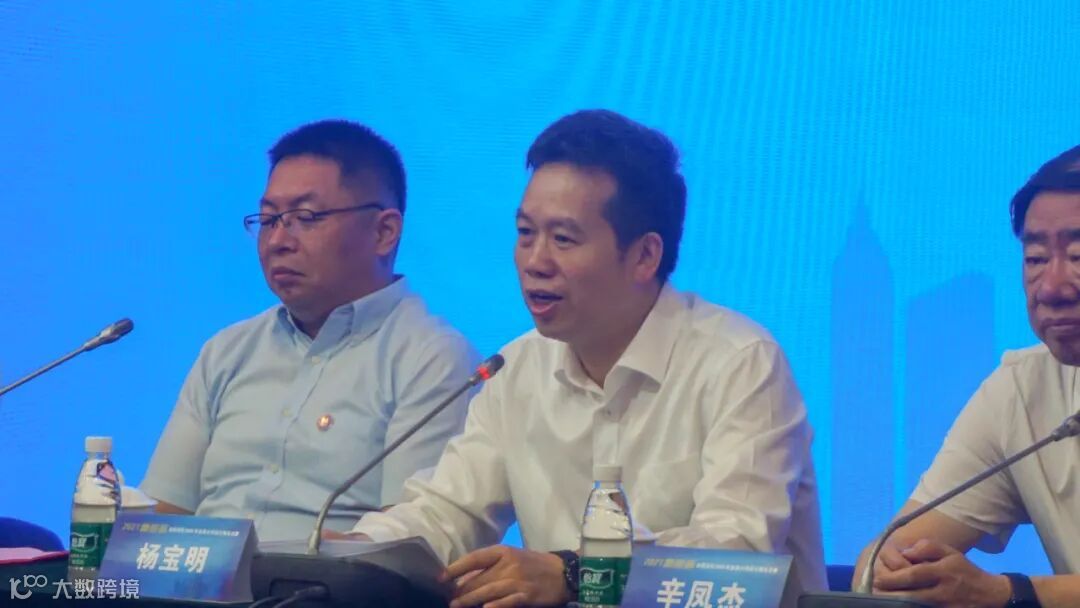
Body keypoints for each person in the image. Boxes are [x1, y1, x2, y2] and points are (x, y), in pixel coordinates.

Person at [343, 109, 827, 607]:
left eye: (563, 239)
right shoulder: (517, 368)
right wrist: (352, 554)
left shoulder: (740, 363)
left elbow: (736, 551)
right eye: (525, 233)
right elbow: (449, 511)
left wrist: (576, 572)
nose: (535, 262)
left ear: (645, 256)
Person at [141, 119, 478, 542]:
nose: (278, 241)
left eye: (305, 217)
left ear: (384, 232)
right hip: (203, 575)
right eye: (268, 220)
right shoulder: (227, 351)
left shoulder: (433, 359)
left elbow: (409, 542)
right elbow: (165, 513)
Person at [855, 144, 1080, 607]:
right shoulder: (1022, 391)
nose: (1052, 289)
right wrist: (898, 572)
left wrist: (1011, 594)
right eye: (1036, 259)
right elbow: (882, 559)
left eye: (1078, 255)